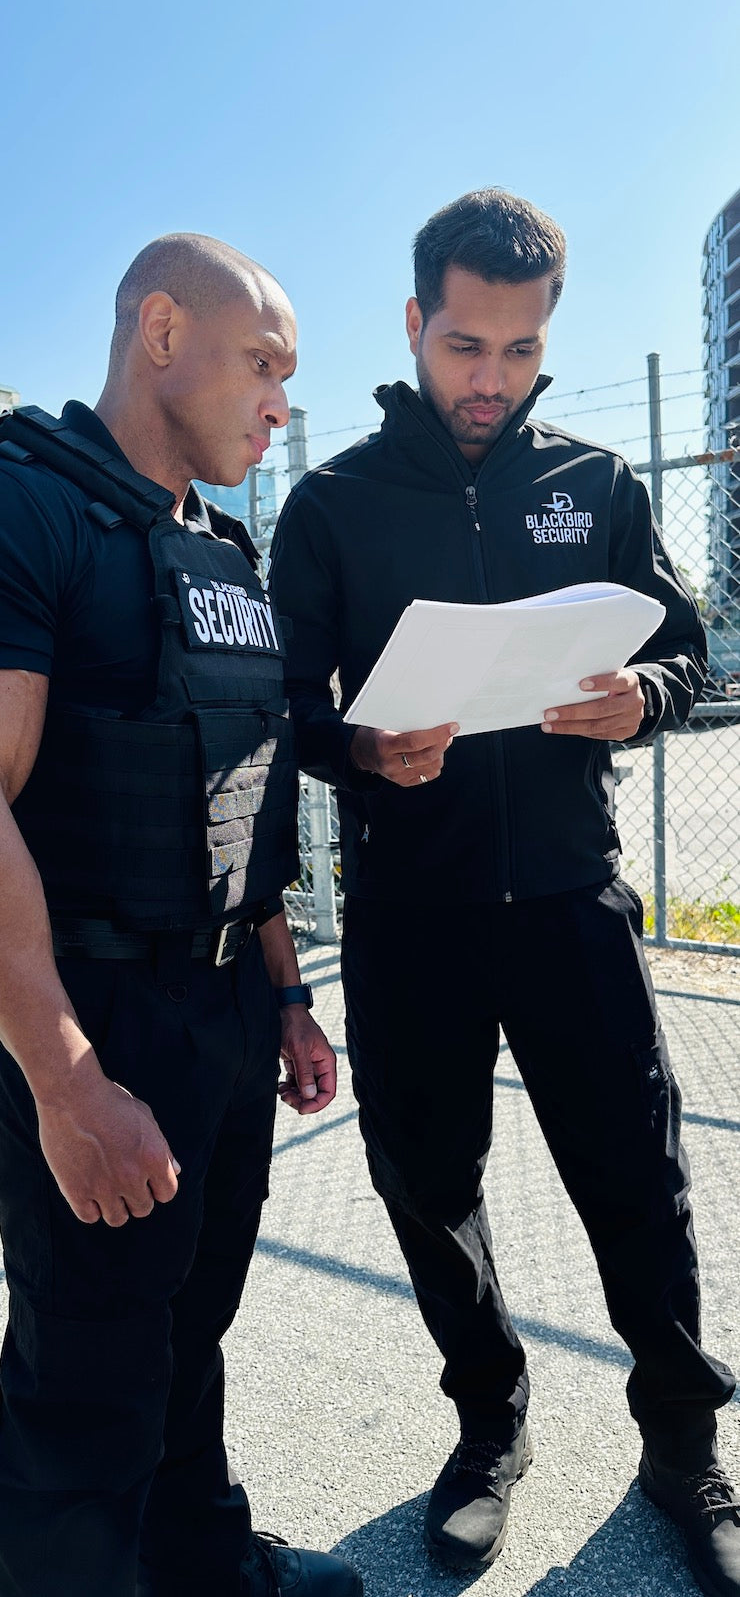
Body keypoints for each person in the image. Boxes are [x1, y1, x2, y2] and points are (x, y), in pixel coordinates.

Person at [0, 234, 363, 1597]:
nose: (280, 403)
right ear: (161, 330)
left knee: (187, 1325)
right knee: (84, 1373)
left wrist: (280, 991)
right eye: (262, 364)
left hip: (220, 1010)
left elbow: (243, 784)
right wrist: (65, 1080)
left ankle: (204, 1564)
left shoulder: (218, 544)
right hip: (91, 1015)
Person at [268, 189, 740, 1596]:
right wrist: (355, 744)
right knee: (427, 1182)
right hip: (410, 913)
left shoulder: (595, 484)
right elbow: (283, 711)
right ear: (415, 323)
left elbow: (691, 648)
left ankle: (682, 1448)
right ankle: (489, 1425)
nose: (492, 380)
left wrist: (641, 698)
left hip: (571, 900)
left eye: (521, 351)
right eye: (466, 345)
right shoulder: (333, 504)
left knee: (638, 1179)